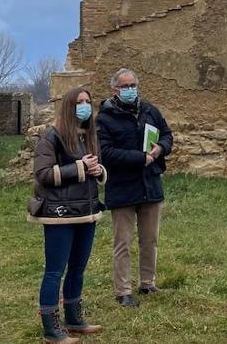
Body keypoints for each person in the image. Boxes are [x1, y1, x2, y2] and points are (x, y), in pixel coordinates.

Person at [28, 86, 108, 344]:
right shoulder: (51, 137)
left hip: (86, 213)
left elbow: (92, 167)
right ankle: (51, 328)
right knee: (55, 271)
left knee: (78, 268)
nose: (84, 106)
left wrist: (97, 171)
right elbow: (43, 174)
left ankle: (74, 319)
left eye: (88, 101)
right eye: (79, 102)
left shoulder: (88, 135)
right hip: (59, 214)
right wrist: (80, 167)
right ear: (69, 106)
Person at [95, 68, 174, 307]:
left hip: (150, 184)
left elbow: (167, 135)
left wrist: (160, 147)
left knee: (150, 239)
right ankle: (123, 290)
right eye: (124, 86)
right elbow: (106, 153)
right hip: (122, 187)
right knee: (123, 242)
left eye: (133, 85)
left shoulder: (150, 111)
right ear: (114, 90)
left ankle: (147, 283)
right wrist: (140, 158)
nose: (129, 90)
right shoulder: (104, 118)